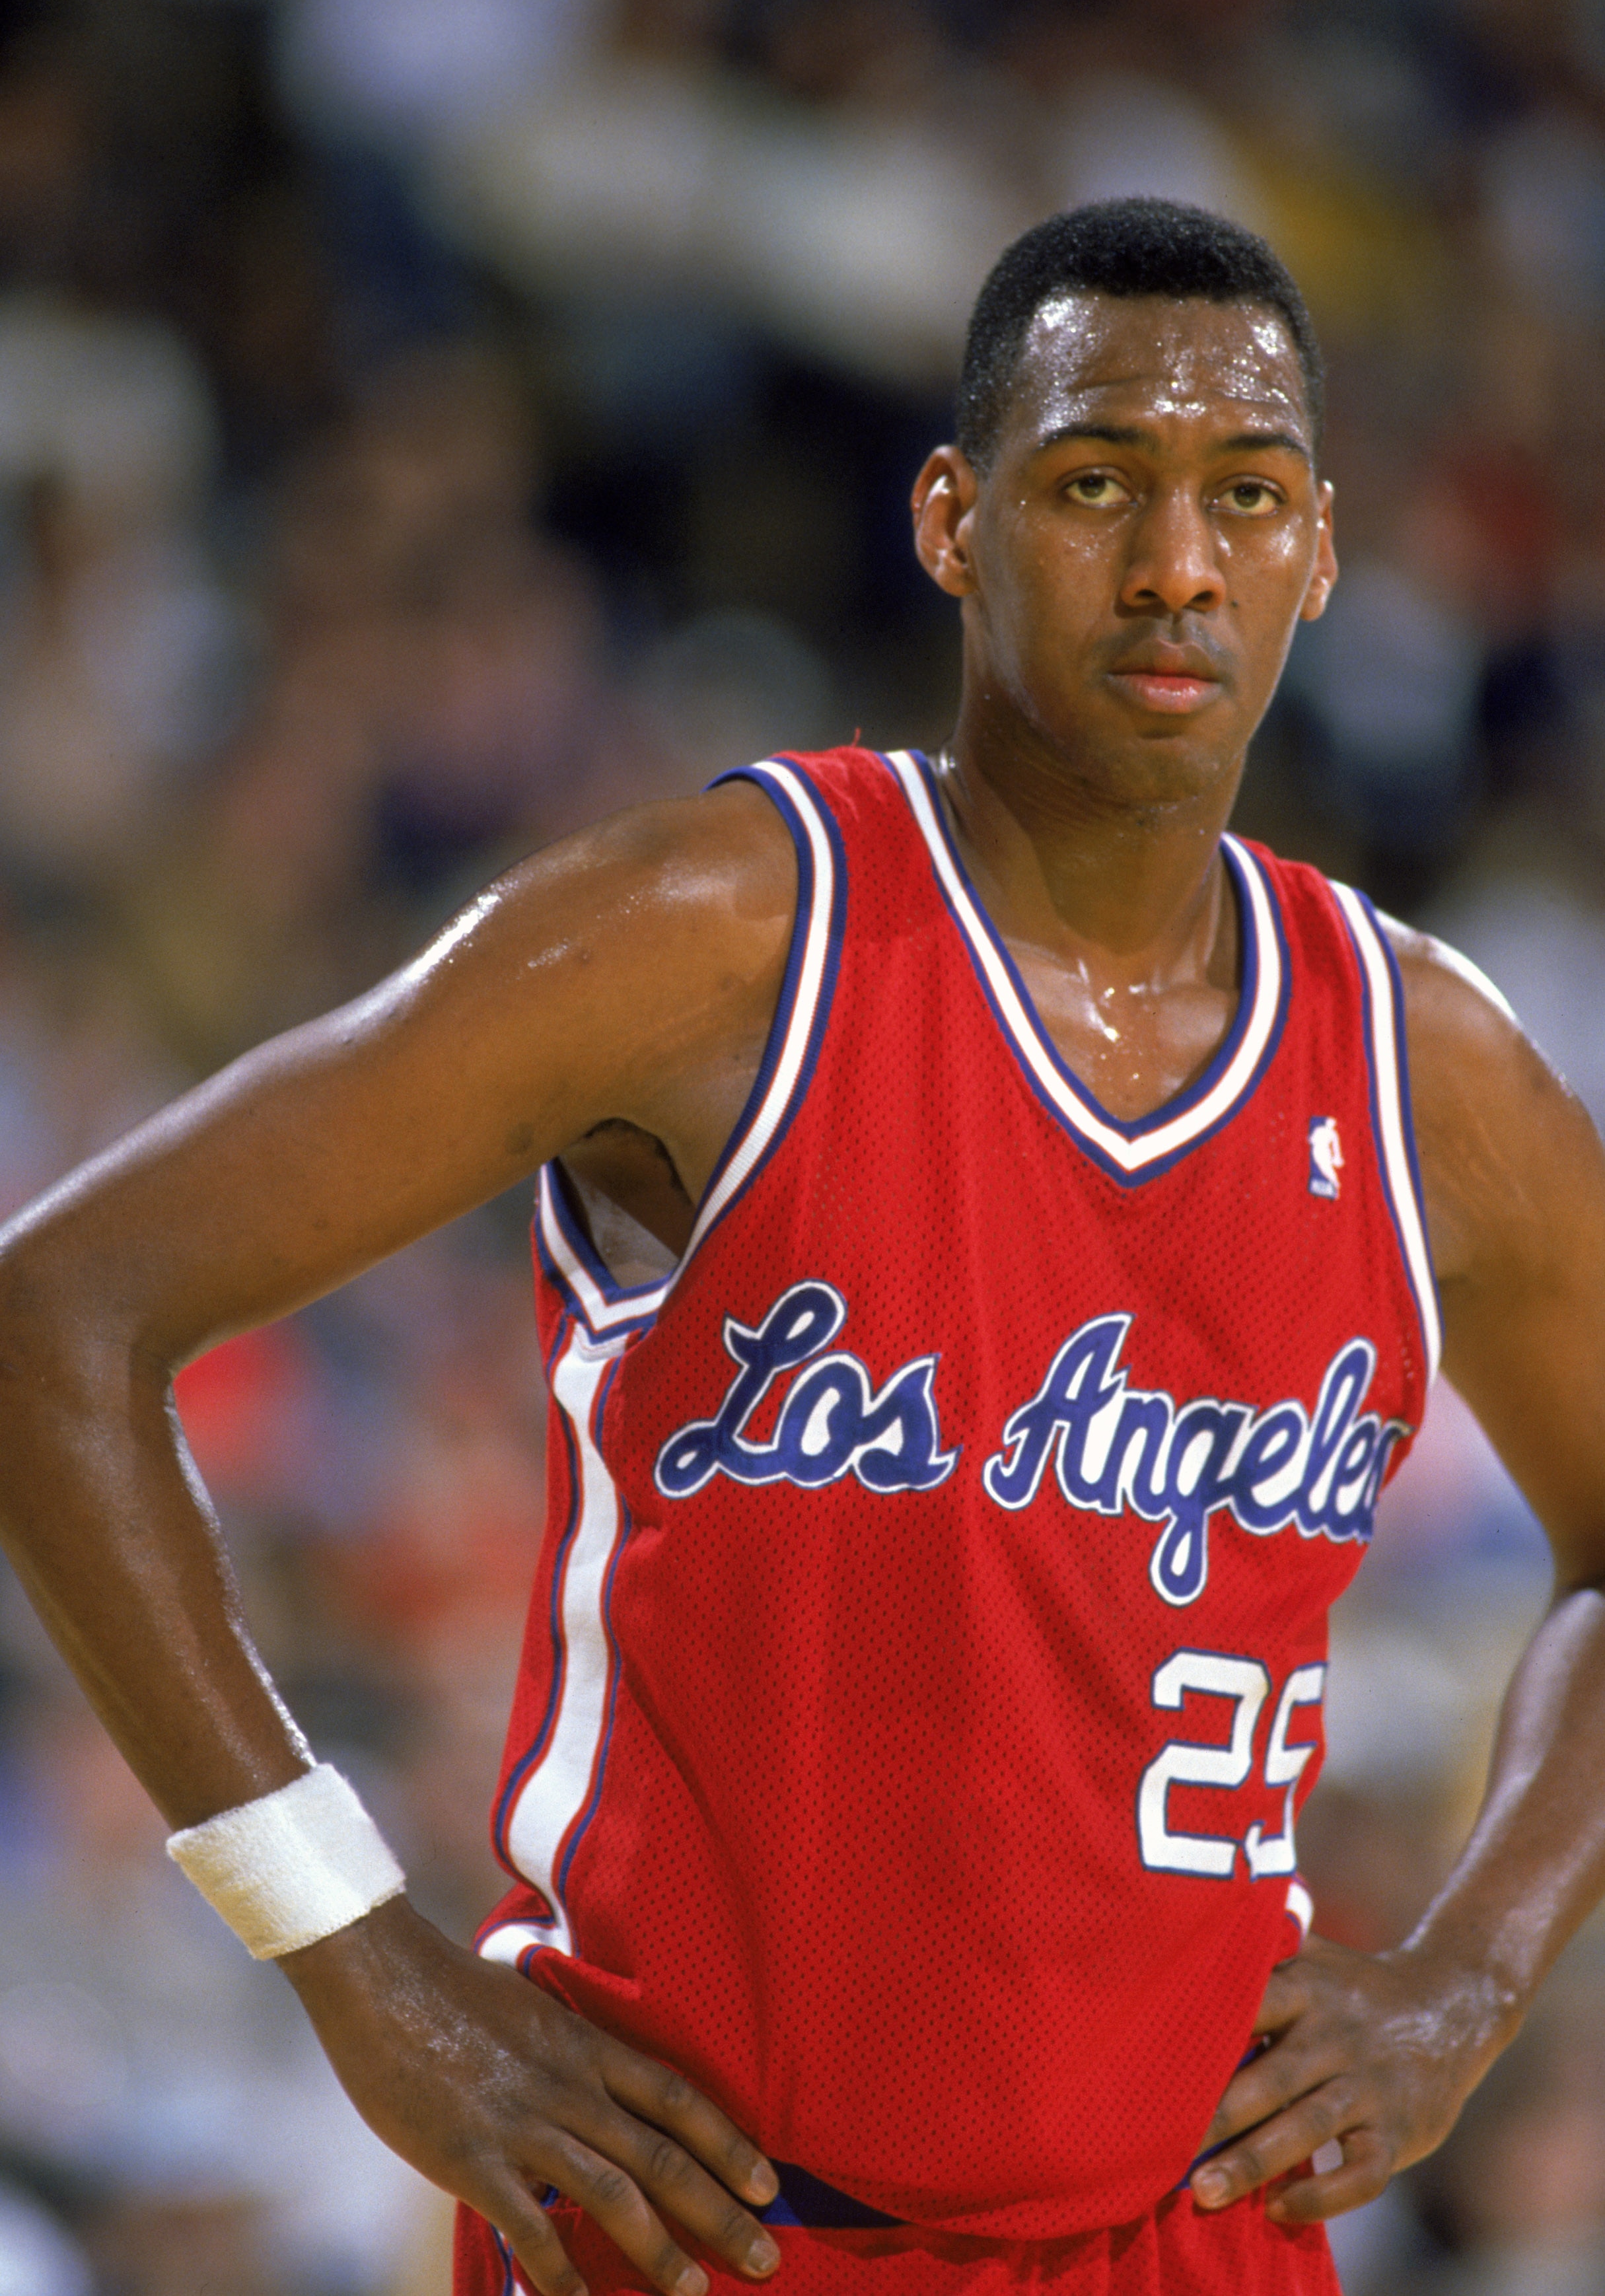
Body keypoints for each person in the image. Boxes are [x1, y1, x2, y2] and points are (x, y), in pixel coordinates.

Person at [2, 196, 1604, 2296]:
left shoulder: (1428, 1067)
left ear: (1321, 549)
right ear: (952, 518)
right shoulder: (721, 936)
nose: (1176, 565)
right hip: (708, 2237)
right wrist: (348, 1949)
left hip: (1189, 2236)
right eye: (1096, 483)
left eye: (1250, 496)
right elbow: (58, 1314)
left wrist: (1476, 1970)